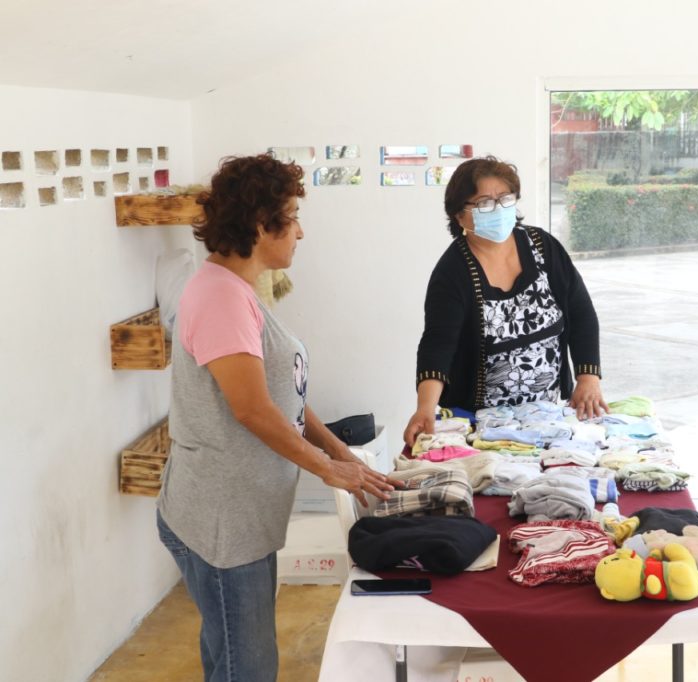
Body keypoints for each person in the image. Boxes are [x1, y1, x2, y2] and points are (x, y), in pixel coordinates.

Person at [156, 154, 397, 682]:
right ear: (260, 224)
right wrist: (328, 469)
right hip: (221, 522)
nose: (301, 233)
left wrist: (342, 453)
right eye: (293, 218)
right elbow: (252, 409)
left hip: (240, 517)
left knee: (232, 656)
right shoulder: (220, 298)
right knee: (248, 667)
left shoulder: (236, 289)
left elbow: (283, 395)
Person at [404, 156, 607, 446]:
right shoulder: (452, 271)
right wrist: (425, 408)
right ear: (459, 215)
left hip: (546, 414)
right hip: (479, 423)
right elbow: (438, 345)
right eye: (484, 203)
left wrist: (588, 377)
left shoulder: (542, 246)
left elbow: (581, 313)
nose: (497, 208)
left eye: (505, 198)